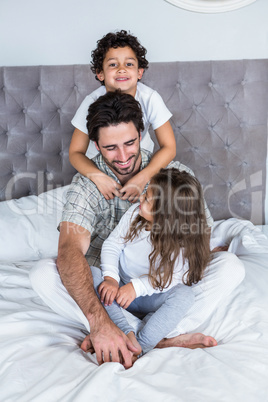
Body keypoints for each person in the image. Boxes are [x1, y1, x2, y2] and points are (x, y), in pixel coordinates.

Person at [30, 91, 245, 369]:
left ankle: (135, 339)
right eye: (110, 148)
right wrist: (105, 295)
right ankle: (131, 334)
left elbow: (196, 245)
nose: (122, 156)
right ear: (95, 145)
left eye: (130, 143)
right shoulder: (87, 184)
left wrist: (146, 284)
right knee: (43, 275)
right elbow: (71, 250)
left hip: (164, 287)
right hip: (114, 294)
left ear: (142, 135)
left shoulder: (174, 177)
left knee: (230, 266)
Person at [92, 168, 213, 356]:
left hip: (153, 296)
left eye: (147, 199)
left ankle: (140, 346)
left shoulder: (181, 242)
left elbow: (170, 277)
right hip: (120, 290)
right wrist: (111, 279)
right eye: (145, 192)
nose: (141, 198)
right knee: (91, 274)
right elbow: (112, 245)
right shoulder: (134, 215)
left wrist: (136, 288)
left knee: (184, 295)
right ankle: (126, 332)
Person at [69, 30, 176, 202]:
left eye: (129, 64)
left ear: (139, 72)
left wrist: (143, 177)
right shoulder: (91, 102)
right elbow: (75, 152)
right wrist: (98, 177)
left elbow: (169, 146)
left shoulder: (150, 98)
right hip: (102, 169)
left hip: (140, 168)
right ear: (100, 73)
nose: (121, 70)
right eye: (113, 65)